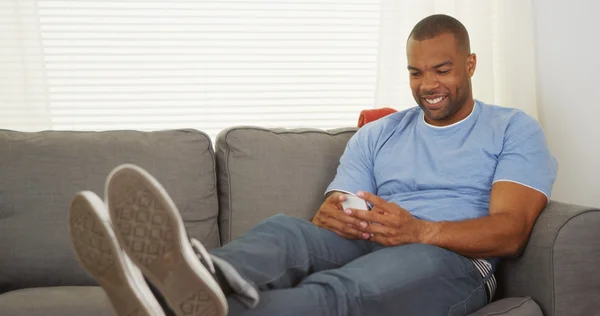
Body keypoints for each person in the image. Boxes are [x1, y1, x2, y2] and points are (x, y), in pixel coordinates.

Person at [68, 14, 557, 316]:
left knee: (339, 293)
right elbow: (336, 200)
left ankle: (161, 304)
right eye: (415, 71)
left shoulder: (512, 128)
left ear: (469, 65)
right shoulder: (380, 133)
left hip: (448, 259)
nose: (428, 83)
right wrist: (334, 211)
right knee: (288, 234)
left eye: (442, 69)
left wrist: (420, 231)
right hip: (366, 240)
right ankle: (177, 278)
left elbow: (511, 230)